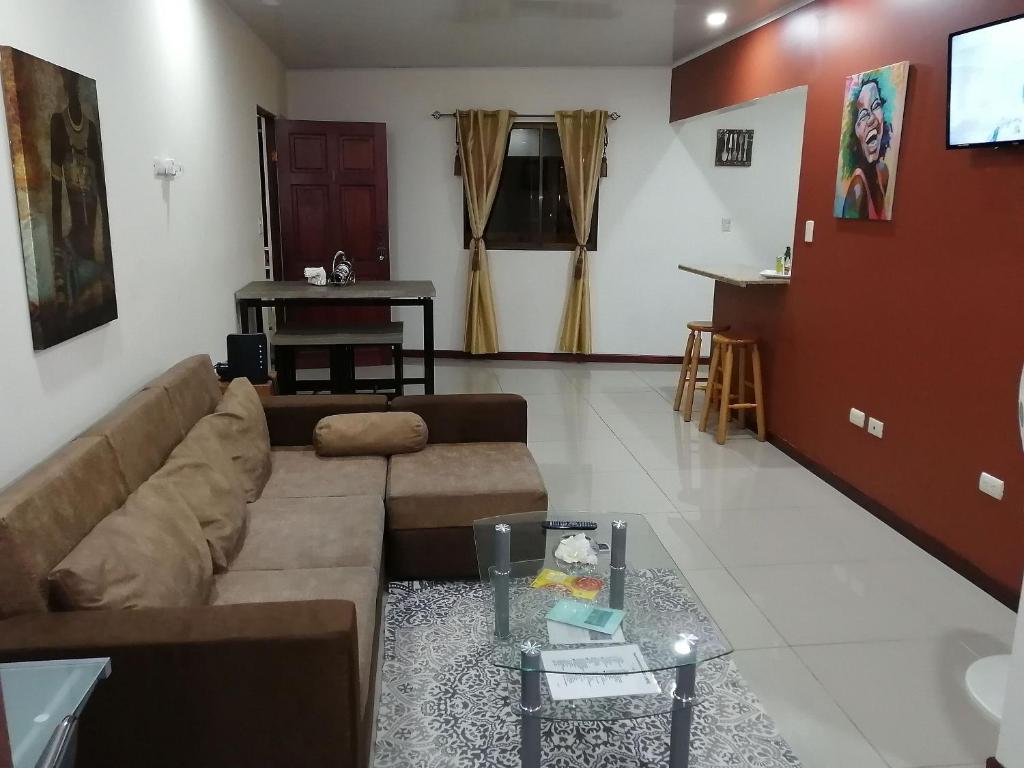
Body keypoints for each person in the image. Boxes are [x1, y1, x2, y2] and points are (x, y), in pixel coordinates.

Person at [50, 68, 108, 304]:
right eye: (66, 79)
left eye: (73, 80)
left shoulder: (91, 130)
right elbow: (55, 190)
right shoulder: (58, 124)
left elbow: (102, 191)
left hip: (90, 225)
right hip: (75, 225)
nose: (70, 84)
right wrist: (55, 238)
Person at [841, 77, 890, 220]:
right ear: (855, 131)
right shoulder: (857, 187)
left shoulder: (882, 172)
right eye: (863, 115)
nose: (871, 119)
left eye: (876, 106)